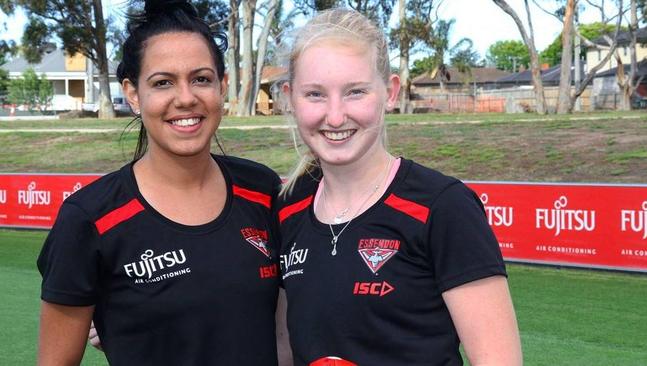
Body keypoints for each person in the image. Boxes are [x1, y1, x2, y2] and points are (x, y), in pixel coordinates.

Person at [37, 1, 286, 364]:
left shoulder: (262, 189)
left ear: (222, 86)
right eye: (163, 83)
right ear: (134, 94)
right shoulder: (89, 218)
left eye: (201, 79)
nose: (185, 98)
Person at [275, 8, 522, 366]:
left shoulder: (443, 207)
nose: (335, 116)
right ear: (290, 98)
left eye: (355, 92)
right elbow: (286, 348)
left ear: (389, 92)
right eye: (314, 94)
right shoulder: (288, 208)